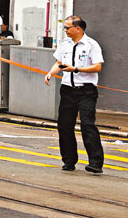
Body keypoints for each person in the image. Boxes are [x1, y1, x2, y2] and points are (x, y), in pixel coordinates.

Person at [44, 15, 105, 174]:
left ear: (78, 28)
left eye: (67, 28)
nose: (65, 30)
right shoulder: (65, 44)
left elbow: (97, 66)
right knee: (64, 125)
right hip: (67, 90)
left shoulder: (91, 45)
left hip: (86, 91)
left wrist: (76, 69)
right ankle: (69, 160)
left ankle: (96, 162)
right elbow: (59, 63)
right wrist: (50, 73)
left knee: (87, 125)